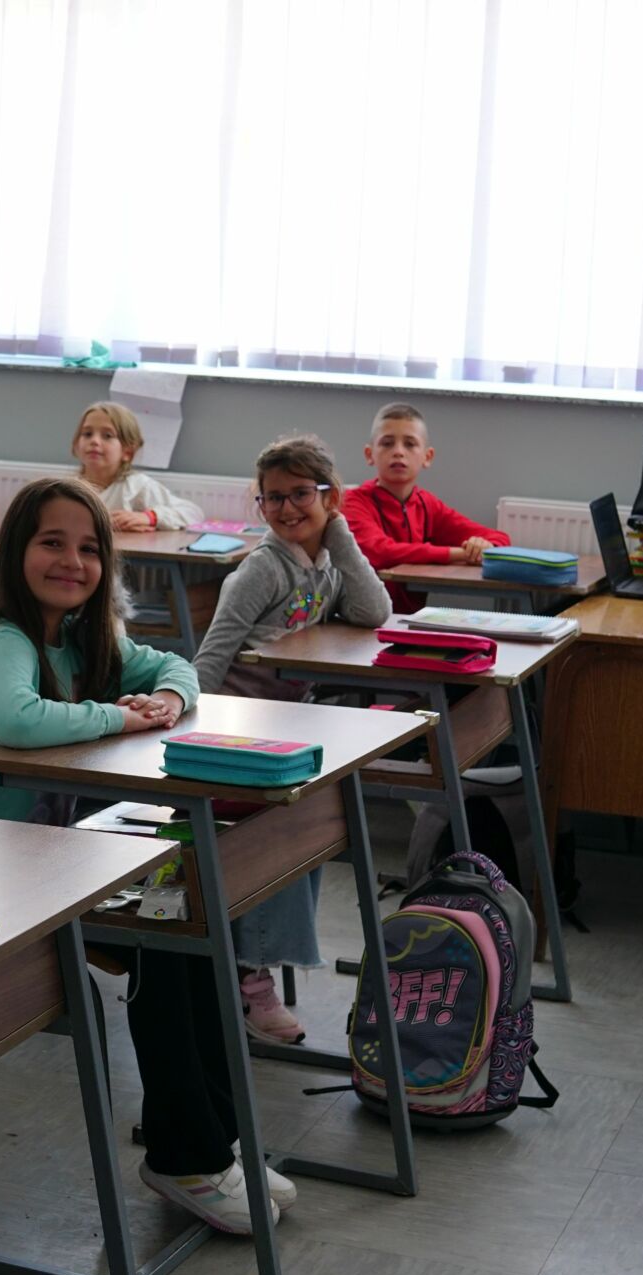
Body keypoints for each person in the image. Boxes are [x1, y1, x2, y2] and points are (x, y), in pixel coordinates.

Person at [0, 476, 293, 1235]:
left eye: (90, 548)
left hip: (51, 862)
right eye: (51, 543)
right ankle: (183, 1156)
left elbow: (173, 668)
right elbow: (18, 721)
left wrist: (170, 704)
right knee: (164, 932)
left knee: (189, 915)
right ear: (13, 552)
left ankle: (215, 1143)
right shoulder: (5, 640)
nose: (73, 561)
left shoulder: (86, 638)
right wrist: (116, 720)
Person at [192, 436, 390, 1043]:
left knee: (309, 833)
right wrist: (190, 730)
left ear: (331, 497)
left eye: (302, 494)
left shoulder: (325, 564)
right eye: (273, 498)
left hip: (288, 731)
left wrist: (341, 537)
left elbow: (374, 611)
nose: (286, 508)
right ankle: (251, 984)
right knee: (281, 836)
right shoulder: (261, 569)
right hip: (237, 735)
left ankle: (255, 971)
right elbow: (211, 656)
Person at [342, 402, 510, 613]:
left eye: (410, 444)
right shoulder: (352, 501)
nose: (398, 452)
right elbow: (381, 553)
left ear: (427, 457)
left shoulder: (427, 505)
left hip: (408, 621)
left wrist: (484, 546)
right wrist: (461, 554)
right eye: (387, 443)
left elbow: (500, 537)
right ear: (369, 454)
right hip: (361, 618)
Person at [72, 401, 203, 531]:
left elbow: (193, 513)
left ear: (127, 452)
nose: (94, 441)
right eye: (87, 434)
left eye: (107, 436)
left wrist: (150, 517)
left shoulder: (137, 487)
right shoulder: (69, 489)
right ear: (77, 445)